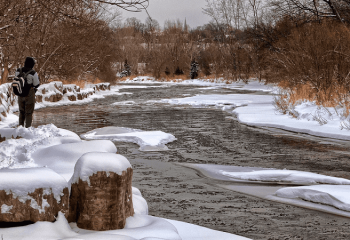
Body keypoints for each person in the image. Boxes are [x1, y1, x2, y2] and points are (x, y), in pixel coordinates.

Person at [15, 57, 40, 128]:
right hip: (29, 94)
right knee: (28, 113)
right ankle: (28, 129)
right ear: (32, 64)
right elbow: (36, 84)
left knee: (21, 112)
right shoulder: (33, 73)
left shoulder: (18, 70)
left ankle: (20, 128)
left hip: (20, 93)